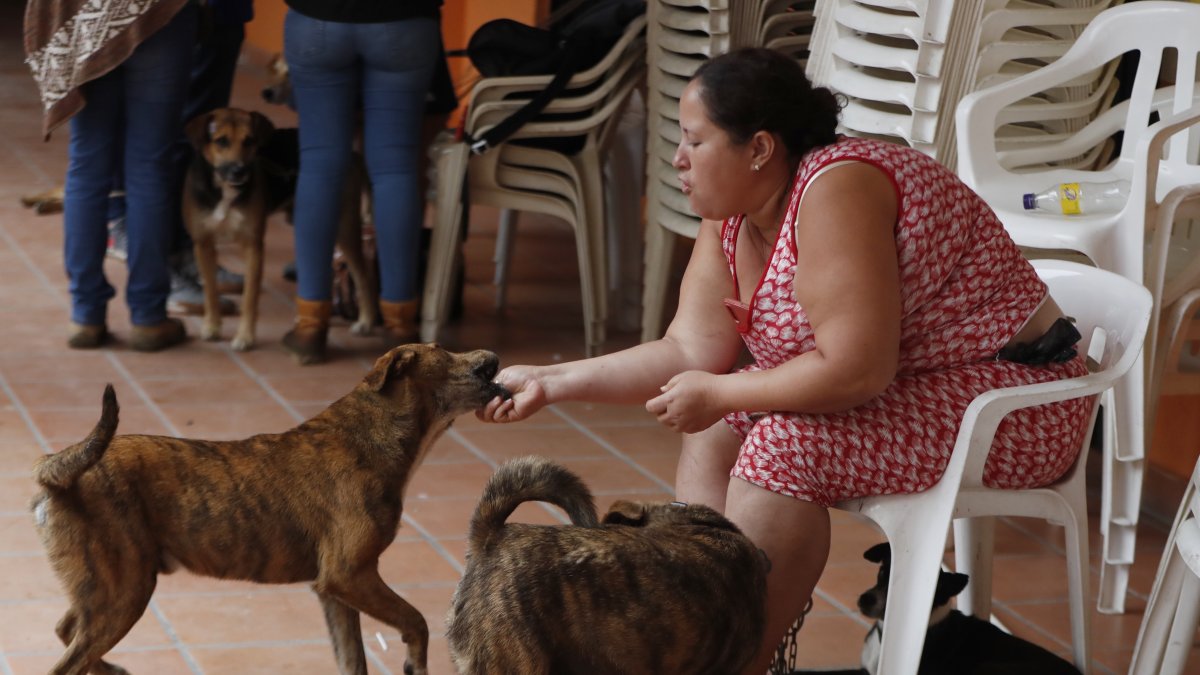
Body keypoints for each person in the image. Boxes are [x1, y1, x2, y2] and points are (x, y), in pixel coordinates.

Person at [476, 47, 1095, 673]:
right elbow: (688, 351)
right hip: (928, 391)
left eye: (695, 140)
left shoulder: (837, 188)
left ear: (760, 149)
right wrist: (551, 380)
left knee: (782, 445)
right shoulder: (733, 216)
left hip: (1018, 403)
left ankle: (737, 658)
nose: (678, 159)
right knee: (722, 427)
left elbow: (855, 370)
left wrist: (720, 394)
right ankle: (702, 627)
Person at [25, 0, 198, 351]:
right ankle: (148, 317)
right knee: (150, 166)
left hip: (84, 17)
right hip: (160, 16)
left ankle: (86, 315)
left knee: (87, 167)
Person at [280, 0, 443, 364]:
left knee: (320, 165)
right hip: (403, 23)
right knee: (395, 169)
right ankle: (401, 322)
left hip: (317, 19)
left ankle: (310, 324)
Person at [106, 0, 254, 316]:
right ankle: (163, 269)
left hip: (223, 12)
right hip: (178, 11)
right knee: (169, 142)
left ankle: (187, 254)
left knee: (201, 139)